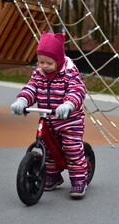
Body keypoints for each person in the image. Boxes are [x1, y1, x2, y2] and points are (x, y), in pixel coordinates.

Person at [11, 32, 88, 199]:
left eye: (49, 62)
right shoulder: (38, 74)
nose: (44, 66)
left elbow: (77, 90)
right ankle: (52, 175)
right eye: (40, 61)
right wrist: (23, 101)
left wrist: (68, 104)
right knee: (48, 147)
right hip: (48, 118)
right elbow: (31, 88)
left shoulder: (69, 74)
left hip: (70, 121)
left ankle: (79, 179)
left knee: (71, 148)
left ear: (59, 61)